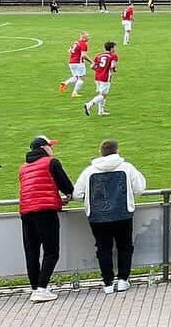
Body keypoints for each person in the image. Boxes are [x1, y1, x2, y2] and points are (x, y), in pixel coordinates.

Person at [74, 139, 147, 292]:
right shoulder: (127, 168)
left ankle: (107, 283)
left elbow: (77, 193)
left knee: (103, 248)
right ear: (117, 150)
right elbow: (139, 188)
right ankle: (123, 279)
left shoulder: (89, 171)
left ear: (100, 152)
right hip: (123, 214)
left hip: (98, 216)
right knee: (125, 246)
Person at [19, 136, 72, 302]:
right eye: (50, 146)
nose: (52, 148)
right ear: (43, 148)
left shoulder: (23, 167)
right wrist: (69, 195)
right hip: (45, 211)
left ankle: (35, 287)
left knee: (32, 252)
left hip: (26, 212)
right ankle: (42, 289)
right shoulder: (51, 162)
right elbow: (66, 185)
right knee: (51, 252)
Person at [82, 41, 119, 117]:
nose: (115, 49)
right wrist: (114, 69)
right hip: (105, 77)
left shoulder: (99, 55)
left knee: (101, 94)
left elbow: (92, 66)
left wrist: (99, 70)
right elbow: (112, 66)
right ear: (111, 48)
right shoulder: (113, 56)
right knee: (103, 95)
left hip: (97, 77)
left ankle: (101, 111)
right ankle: (89, 104)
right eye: (114, 47)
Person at [58, 32, 90, 96]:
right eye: (88, 36)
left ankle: (65, 83)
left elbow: (69, 51)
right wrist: (91, 61)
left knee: (76, 77)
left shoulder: (76, 43)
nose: (89, 38)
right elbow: (83, 55)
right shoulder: (83, 44)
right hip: (79, 63)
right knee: (81, 79)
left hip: (71, 62)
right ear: (83, 37)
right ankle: (75, 93)